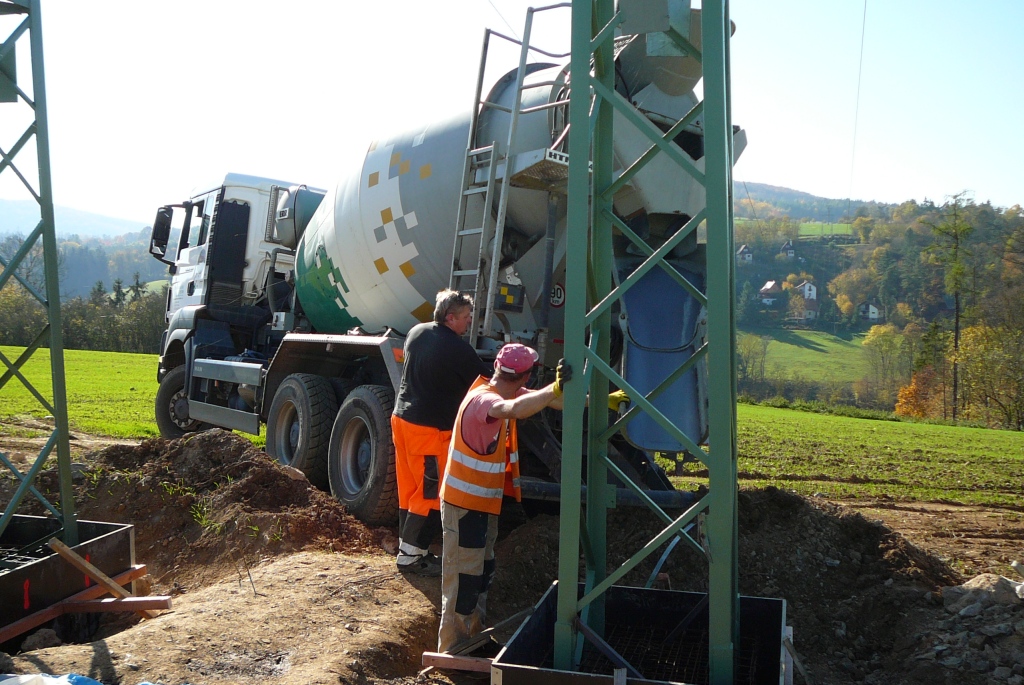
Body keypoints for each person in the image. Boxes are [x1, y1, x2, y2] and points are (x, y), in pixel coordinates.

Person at [436, 343, 572, 653]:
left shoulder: (506, 392)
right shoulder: (484, 399)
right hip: (463, 506)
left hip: (481, 506)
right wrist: (553, 387)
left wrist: (600, 399)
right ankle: (453, 650)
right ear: (525, 376)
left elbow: (552, 402)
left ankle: (473, 640)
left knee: (481, 576)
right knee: (463, 583)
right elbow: (511, 411)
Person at [391, 289, 491, 576]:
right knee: (430, 495)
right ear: (450, 318)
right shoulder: (457, 349)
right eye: (466, 317)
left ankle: (411, 549)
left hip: (402, 421)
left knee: (409, 490)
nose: (469, 322)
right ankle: (410, 559)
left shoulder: (417, 332)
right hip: (429, 432)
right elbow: (486, 379)